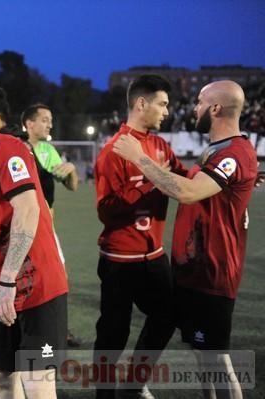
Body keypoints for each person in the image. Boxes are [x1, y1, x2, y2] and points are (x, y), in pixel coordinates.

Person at [113, 80, 259, 399]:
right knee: (201, 354)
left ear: (216, 108)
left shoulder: (233, 152)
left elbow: (188, 192)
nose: (194, 108)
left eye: (199, 101)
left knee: (216, 360)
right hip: (193, 271)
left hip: (212, 275)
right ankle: (133, 387)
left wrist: (140, 158)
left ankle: (131, 387)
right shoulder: (218, 151)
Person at [0, 91, 69, 399]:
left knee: (38, 382)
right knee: (3, 378)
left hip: (38, 287)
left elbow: (28, 208)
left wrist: (8, 280)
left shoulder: (7, 147)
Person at [93, 74, 187, 398]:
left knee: (167, 317)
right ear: (141, 104)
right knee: (112, 335)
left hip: (154, 256)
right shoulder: (113, 151)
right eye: (162, 103)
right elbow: (105, 210)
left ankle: (132, 384)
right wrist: (147, 182)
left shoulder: (160, 145)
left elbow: (184, 178)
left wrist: (222, 178)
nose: (167, 110)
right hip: (120, 260)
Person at [21, 103, 81, 348]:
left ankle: (56, 327)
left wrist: (72, 170)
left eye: (50, 119)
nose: (49, 124)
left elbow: (72, 186)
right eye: (44, 119)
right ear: (29, 123)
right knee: (18, 276)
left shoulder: (47, 150)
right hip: (25, 220)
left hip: (46, 220)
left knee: (57, 273)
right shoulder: (16, 148)